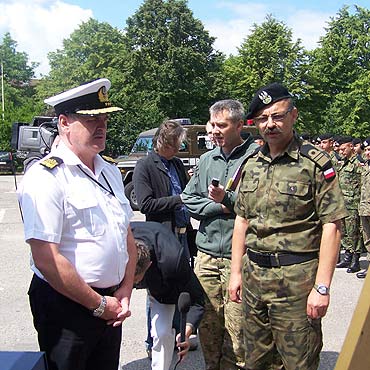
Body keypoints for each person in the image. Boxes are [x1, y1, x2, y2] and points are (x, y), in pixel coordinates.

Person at [17, 78, 137, 370]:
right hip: (67, 307)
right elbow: (47, 259)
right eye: (90, 119)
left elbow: (126, 235)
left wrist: (125, 289)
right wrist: (98, 304)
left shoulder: (109, 170)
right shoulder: (47, 177)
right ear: (63, 123)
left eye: (105, 119)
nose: (102, 126)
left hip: (110, 304)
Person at [229, 82, 347, 370]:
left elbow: (333, 225)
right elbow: (242, 220)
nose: (270, 124)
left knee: (298, 363)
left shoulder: (315, 163)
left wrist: (322, 287)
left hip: (296, 283)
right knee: (255, 362)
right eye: (263, 119)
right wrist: (235, 273)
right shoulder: (252, 164)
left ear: (293, 115)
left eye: (277, 116)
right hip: (255, 279)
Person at [182, 99, 259, 370]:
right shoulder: (206, 159)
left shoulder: (255, 159)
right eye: (213, 124)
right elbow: (188, 198)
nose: (215, 130)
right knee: (209, 327)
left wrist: (230, 198)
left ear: (240, 125)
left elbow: (258, 206)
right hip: (207, 256)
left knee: (238, 331)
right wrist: (221, 206)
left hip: (240, 259)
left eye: (222, 125)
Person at [132, 120, 194, 356]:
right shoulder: (144, 166)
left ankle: (178, 336)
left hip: (181, 235)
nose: (179, 149)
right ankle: (153, 341)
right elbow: (146, 204)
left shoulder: (176, 163)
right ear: (163, 142)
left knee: (181, 286)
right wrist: (179, 199)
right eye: (176, 144)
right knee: (158, 290)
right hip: (159, 238)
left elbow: (188, 192)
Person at [131, 221, 204, 370]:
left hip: (163, 286)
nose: (132, 285)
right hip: (129, 259)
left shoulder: (174, 262)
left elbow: (198, 301)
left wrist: (187, 331)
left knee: (162, 332)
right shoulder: (115, 245)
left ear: (148, 266)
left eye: (135, 281)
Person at [336, 136, 362, 273]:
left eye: (343, 149)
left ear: (351, 147)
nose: (341, 152)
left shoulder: (358, 163)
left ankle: (355, 260)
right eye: (340, 150)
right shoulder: (343, 163)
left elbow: (363, 183)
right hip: (343, 202)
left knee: (354, 232)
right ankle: (347, 256)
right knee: (345, 232)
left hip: (354, 203)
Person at [357, 137, 370, 278]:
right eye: (366, 150)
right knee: (367, 238)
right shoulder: (365, 166)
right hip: (364, 207)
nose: (367, 153)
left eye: (369, 150)